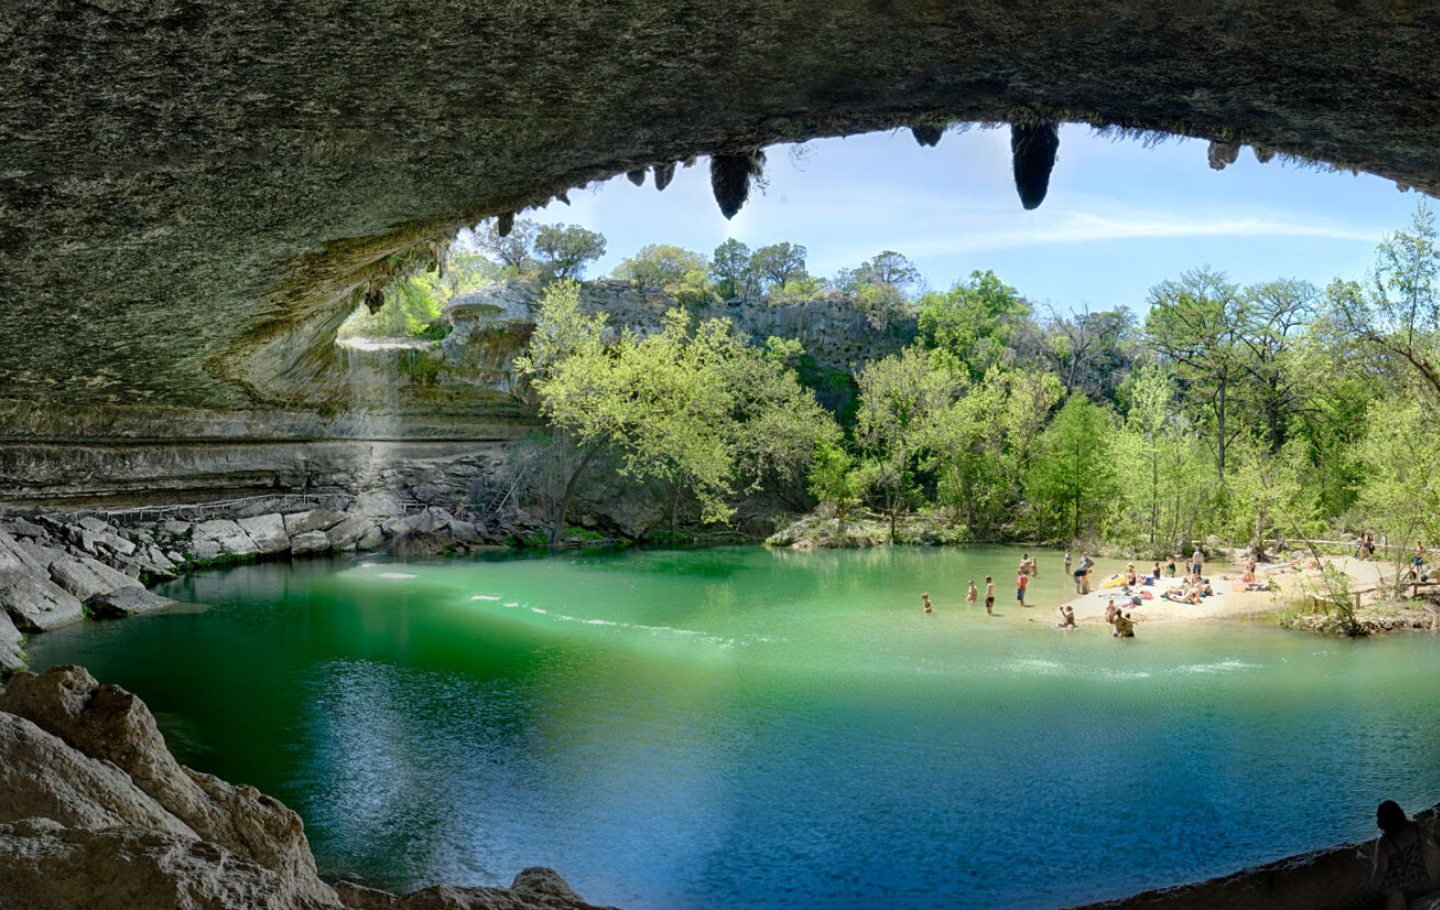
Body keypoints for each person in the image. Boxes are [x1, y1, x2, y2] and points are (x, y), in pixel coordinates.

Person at [1371, 800, 1435, 907]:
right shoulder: (1415, 827)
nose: (1377, 821)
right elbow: (1425, 851)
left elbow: (1380, 870)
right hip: (1423, 883)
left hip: (1404, 891)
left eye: (1379, 817)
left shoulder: (1384, 841)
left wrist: (1372, 890)